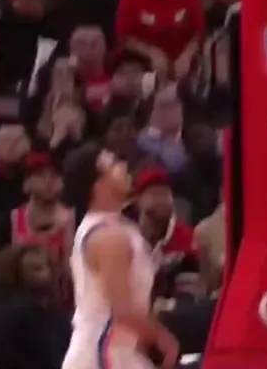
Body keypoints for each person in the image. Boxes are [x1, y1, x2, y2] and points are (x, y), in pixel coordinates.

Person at [59, 142, 179, 369]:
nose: (123, 166)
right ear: (97, 185)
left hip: (119, 350)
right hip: (102, 353)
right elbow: (122, 310)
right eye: (113, 164)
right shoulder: (108, 237)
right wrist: (163, 339)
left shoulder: (117, 225)